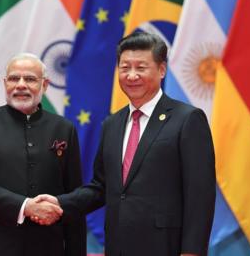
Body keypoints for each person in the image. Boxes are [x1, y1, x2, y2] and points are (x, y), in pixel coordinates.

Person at [36, 32, 216, 256]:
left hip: (166, 246)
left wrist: (192, 252)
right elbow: (101, 187)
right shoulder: (112, 123)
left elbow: (200, 193)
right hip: (118, 246)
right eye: (125, 67)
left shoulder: (187, 119)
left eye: (141, 68)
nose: (131, 75)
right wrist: (59, 203)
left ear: (162, 70)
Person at [0, 53, 86, 256]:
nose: (20, 85)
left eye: (30, 79)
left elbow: (73, 197)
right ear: (5, 83)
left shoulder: (64, 128)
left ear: (45, 85)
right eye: (14, 78)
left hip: (47, 248)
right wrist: (25, 207)